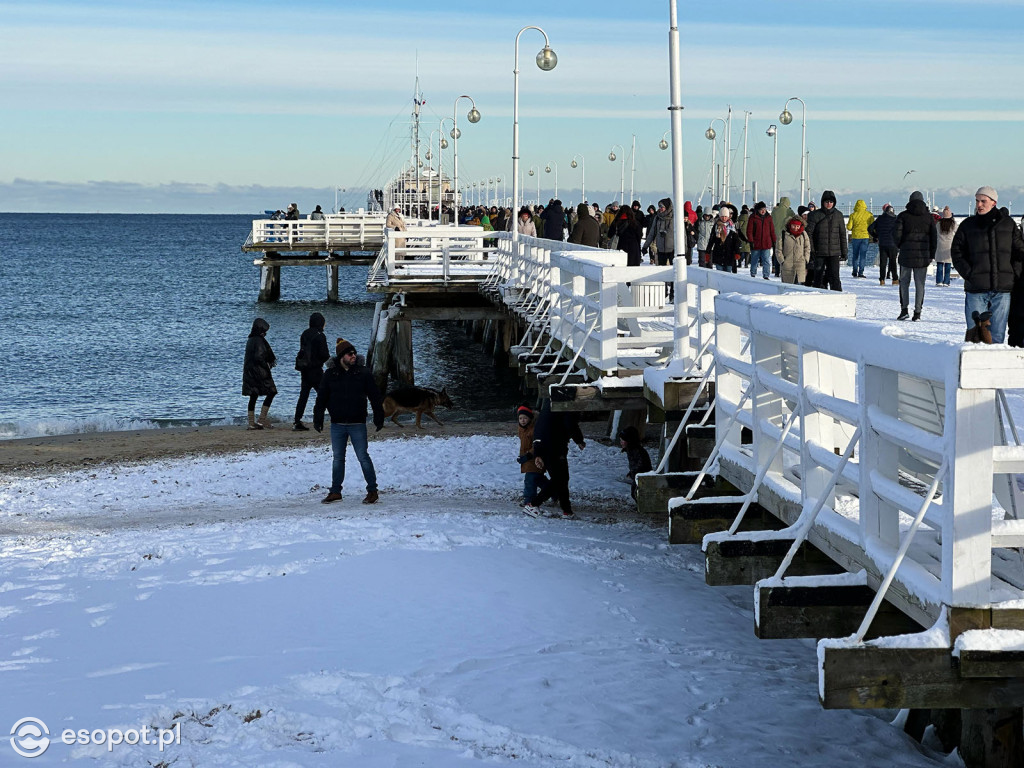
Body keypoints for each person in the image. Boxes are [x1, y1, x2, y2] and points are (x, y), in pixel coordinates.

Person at [313, 338, 385, 505]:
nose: (354, 356)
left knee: (363, 456)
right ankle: (335, 491)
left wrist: (378, 415)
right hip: (337, 423)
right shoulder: (330, 374)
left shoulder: (363, 373)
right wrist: (318, 417)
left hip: (357, 423)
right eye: (349, 354)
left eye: (354, 353)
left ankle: (372, 490)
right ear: (341, 357)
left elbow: (375, 396)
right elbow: (322, 397)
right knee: (338, 458)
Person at [952, 186, 1024, 344]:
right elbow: (956, 252)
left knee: (997, 337)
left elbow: (1019, 252)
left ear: (993, 203)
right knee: (975, 336)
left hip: (1002, 290)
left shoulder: (1008, 225)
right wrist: (970, 274)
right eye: (977, 201)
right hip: (976, 289)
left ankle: (994, 368)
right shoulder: (967, 225)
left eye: (983, 201)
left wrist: (1012, 275)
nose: (979, 205)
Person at [526, 399, 585, 519]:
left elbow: (540, 427)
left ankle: (567, 510)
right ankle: (533, 504)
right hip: (554, 446)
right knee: (560, 479)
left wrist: (538, 451)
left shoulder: (549, 403)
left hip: (544, 444)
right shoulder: (565, 404)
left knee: (561, 479)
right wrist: (579, 440)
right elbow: (570, 423)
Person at [894, 191, 937, 321]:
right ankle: (917, 312)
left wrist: (901, 246)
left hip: (906, 254)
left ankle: (904, 310)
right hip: (922, 256)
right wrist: (931, 254)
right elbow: (934, 237)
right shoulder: (929, 217)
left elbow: (896, 234)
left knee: (904, 283)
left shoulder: (903, 216)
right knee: (920, 285)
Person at [293, 312, 330, 430]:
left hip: (305, 369)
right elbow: (325, 354)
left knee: (303, 395)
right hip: (316, 370)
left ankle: (297, 421)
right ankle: (335, 416)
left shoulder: (305, 333)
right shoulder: (320, 336)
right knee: (325, 394)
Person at [805, 190, 846, 291]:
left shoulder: (838, 215)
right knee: (818, 276)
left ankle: (837, 297)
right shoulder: (814, 215)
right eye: (827, 201)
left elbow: (842, 234)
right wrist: (812, 250)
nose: (829, 204)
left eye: (831, 202)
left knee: (835, 277)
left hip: (834, 252)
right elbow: (808, 234)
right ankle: (817, 296)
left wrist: (844, 251)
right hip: (819, 252)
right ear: (823, 202)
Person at [242, 317, 277, 430]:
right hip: (260, 372)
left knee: (253, 396)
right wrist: (266, 368)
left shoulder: (250, 340)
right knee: (272, 392)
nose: (265, 333)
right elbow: (260, 357)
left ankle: (251, 423)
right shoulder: (260, 340)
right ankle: (262, 419)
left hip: (249, 372)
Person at [515, 404, 549, 512]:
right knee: (538, 479)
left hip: (536, 457)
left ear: (530, 418)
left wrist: (529, 455)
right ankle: (554, 491)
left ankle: (529, 499)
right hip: (527, 457)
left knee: (530, 479)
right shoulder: (521, 428)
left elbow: (538, 445)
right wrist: (522, 455)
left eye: (525, 418)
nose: (523, 420)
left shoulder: (535, 429)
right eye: (520, 418)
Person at [617, 425, 652, 503]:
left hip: (642, 475)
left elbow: (642, 463)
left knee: (637, 493)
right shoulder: (630, 449)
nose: (621, 442)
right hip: (636, 475)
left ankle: (643, 506)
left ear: (629, 441)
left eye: (622, 440)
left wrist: (635, 471)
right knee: (635, 493)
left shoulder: (637, 450)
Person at [868, 204, 899, 286]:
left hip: (882, 243)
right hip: (893, 244)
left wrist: (876, 236)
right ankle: (895, 279)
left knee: (883, 263)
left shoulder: (880, 218)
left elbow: (870, 228)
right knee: (893, 262)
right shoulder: (896, 219)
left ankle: (882, 280)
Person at [746, 201, 776, 279]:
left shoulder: (769, 218)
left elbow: (772, 230)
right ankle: (753, 274)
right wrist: (751, 241)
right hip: (756, 243)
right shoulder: (753, 217)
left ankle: (766, 275)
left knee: (766, 260)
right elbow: (749, 231)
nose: (763, 211)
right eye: (761, 209)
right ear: (758, 210)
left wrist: (774, 241)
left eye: (764, 209)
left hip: (766, 243)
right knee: (754, 260)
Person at [846, 199, 874, 278]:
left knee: (855, 255)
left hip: (855, 237)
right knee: (863, 256)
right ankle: (861, 272)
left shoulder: (853, 215)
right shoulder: (869, 215)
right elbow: (872, 226)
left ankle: (855, 271)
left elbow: (849, 227)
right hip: (865, 237)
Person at [779, 216, 811, 285]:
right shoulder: (784, 234)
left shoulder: (803, 234)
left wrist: (806, 259)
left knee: (799, 289)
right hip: (787, 265)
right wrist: (782, 261)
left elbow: (807, 247)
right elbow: (778, 249)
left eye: (797, 226)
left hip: (800, 264)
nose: (795, 228)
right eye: (793, 226)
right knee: (787, 287)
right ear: (790, 225)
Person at [770, 196, 797, 277]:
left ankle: (776, 270)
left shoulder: (774, 211)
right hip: (785, 235)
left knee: (776, 252)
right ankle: (783, 270)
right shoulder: (790, 211)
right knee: (784, 253)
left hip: (775, 234)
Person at [710, 205, 741, 272]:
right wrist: (708, 252)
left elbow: (736, 241)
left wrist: (737, 252)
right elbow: (711, 240)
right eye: (722, 216)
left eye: (725, 216)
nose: (724, 218)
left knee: (728, 274)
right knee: (720, 274)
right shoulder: (716, 226)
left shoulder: (732, 226)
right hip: (719, 254)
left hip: (729, 255)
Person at [934, 207, 957, 287]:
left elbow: (935, 232)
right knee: (948, 265)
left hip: (940, 244)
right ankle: (946, 282)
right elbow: (957, 232)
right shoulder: (953, 223)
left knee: (939, 264)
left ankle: (939, 281)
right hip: (949, 245)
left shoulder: (939, 223)